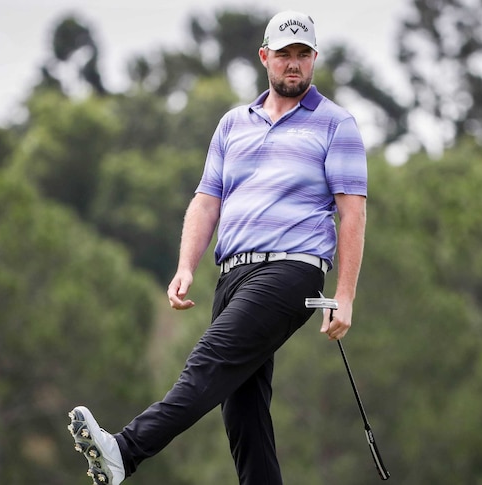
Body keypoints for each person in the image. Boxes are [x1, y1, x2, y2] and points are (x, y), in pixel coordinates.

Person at [67, 10, 367, 485]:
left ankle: (124, 451)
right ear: (265, 57)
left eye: (303, 55)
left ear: (314, 60)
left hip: (291, 272)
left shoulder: (336, 124)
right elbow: (207, 200)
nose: (293, 64)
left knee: (208, 363)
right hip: (232, 276)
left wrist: (345, 295)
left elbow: (352, 213)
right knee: (244, 415)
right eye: (284, 54)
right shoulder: (232, 125)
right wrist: (186, 265)